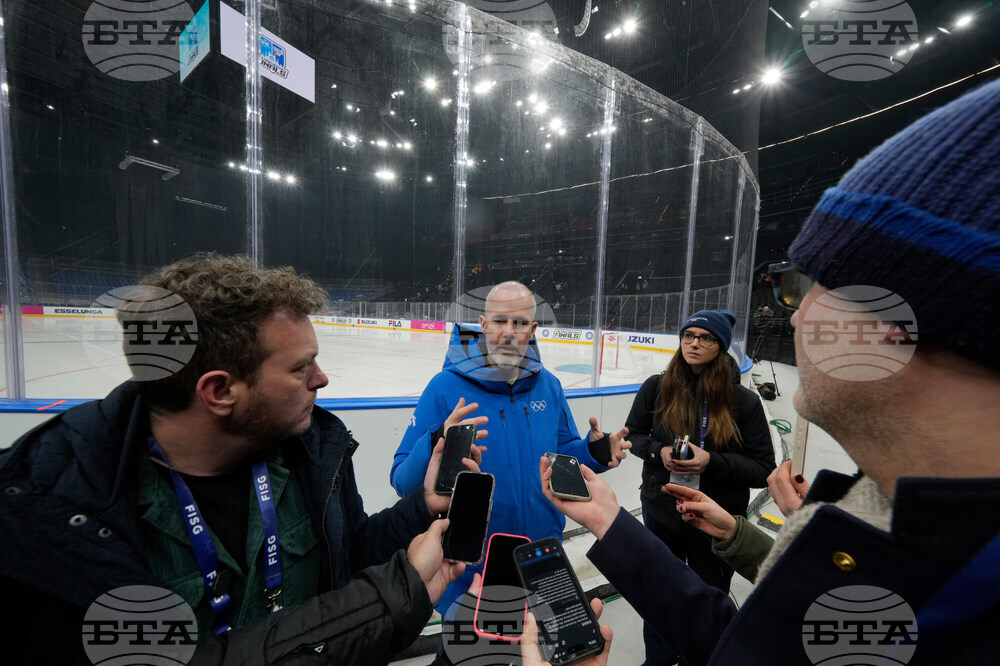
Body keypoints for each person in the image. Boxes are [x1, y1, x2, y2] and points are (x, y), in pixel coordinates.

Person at [538, 77, 1000, 664]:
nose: (799, 311)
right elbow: (751, 645)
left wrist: (720, 481)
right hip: (670, 512)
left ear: (900, 315)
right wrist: (619, 518)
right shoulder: (898, 541)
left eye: (808, 283)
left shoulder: (948, 594)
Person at [0, 254, 466, 665]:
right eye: (301, 367)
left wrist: (420, 508)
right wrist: (388, 602)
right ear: (220, 391)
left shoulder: (315, 450)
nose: (322, 379)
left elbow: (348, 554)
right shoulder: (48, 513)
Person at [390, 281, 630, 621]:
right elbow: (401, 480)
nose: (508, 332)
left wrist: (594, 451)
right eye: (500, 321)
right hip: (470, 572)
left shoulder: (549, 384)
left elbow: (560, 454)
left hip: (543, 559)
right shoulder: (444, 388)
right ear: (484, 325)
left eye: (519, 323)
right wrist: (435, 441)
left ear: (532, 329)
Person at [624, 308, 775, 664]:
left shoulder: (743, 402)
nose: (694, 343)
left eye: (706, 338)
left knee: (708, 598)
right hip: (662, 509)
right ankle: (658, 660)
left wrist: (712, 462)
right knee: (659, 592)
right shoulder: (656, 388)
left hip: (715, 518)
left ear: (720, 346)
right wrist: (658, 452)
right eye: (688, 336)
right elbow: (634, 437)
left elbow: (763, 468)